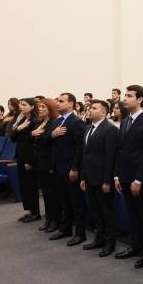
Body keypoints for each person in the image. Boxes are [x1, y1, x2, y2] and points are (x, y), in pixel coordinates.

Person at [114, 85, 143, 267]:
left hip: (139, 178)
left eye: (129, 96)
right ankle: (135, 245)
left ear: (140, 99)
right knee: (132, 213)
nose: (125, 98)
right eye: (125, 95)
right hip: (124, 175)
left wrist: (138, 179)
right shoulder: (126, 121)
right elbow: (120, 151)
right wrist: (117, 175)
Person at [80, 100, 120, 257]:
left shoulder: (110, 129)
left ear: (103, 112)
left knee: (107, 212)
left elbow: (111, 157)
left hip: (103, 178)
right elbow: (85, 154)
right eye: (89, 108)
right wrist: (83, 176)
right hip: (90, 176)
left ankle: (110, 242)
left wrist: (107, 181)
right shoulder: (88, 128)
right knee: (95, 210)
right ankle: (99, 237)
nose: (89, 110)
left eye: (94, 108)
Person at [48, 93, 87, 244]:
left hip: (70, 168)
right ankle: (65, 229)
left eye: (61, 101)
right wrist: (53, 134)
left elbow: (80, 148)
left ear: (71, 104)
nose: (57, 103)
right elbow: (47, 141)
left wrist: (75, 168)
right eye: (57, 101)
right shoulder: (57, 121)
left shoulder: (76, 122)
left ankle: (80, 233)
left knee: (76, 202)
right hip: (58, 167)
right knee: (64, 201)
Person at [11, 98, 41, 223]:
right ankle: (29, 211)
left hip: (29, 158)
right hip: (20, 156)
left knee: (31, 186)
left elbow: (33, 143)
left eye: (24, 105)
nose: (21, 107)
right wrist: (19, 128)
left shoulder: (35, 121)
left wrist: (29, 161)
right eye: (20, 105)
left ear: (32, 107)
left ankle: (35, 212)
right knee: (23, 185)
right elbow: (12, 138)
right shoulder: (23, 119)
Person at [33, 98, 60, 232]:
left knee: (52, 193)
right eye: (39, 107)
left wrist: (37, 135)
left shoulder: (54, 122)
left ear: (50, 109)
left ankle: (55, 220)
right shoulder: (40, 122)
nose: (40, 109)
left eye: (44, 107)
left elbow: (48, 140)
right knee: (45, 193)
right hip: (40, 161)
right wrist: (33, 134)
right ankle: (48, 219)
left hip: (49, 162)